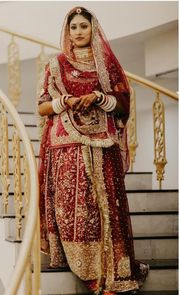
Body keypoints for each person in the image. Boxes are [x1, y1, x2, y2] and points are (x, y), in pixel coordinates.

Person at [37, 7, 149, 295]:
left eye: (83, 26)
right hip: (67, 145)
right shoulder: (55, 64)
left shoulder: (108, 66)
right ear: (68, 31)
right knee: (74, 205)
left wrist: (99, 97)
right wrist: (66, 102)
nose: (78, 32)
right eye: (73, 27)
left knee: (106, 206)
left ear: (93, 29)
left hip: (103, 145)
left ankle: (112, 270)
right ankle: (83, 267)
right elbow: (42, 106)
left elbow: (123, 103)